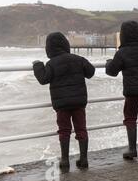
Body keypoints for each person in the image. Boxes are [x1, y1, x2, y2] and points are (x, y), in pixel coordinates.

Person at [33, 32, 95, 171]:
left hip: (62, 105)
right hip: (79, 102)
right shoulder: (78, 59)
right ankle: (84, 159)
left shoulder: (51, 64)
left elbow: (43, 79)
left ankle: (65, 160)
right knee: (81, 129)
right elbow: (90, 72)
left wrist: (37, 65)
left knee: (64, 131)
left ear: (49, 48)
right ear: (66, 45)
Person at [106, 21, 138, 160]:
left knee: (130, 118)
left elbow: (112, 71)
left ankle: (132, 149)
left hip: (131, 92)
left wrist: (108, 62)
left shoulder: (122, 52)